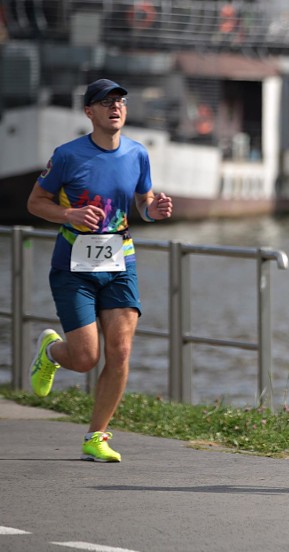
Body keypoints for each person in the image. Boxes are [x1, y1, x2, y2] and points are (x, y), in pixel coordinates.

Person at [27, 78, 174, 462]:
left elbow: (143, 201)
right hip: (73, 266)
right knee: (86, 358)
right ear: (88, 111)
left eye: (120, 101)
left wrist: (152, 211)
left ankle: (97, 436)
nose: (116, 107)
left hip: (120, 260)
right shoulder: (67, 156)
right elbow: (35, 202)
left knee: (121, 350)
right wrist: (68, 213)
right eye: (106, 102)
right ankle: (52, 352)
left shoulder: (137, 154)